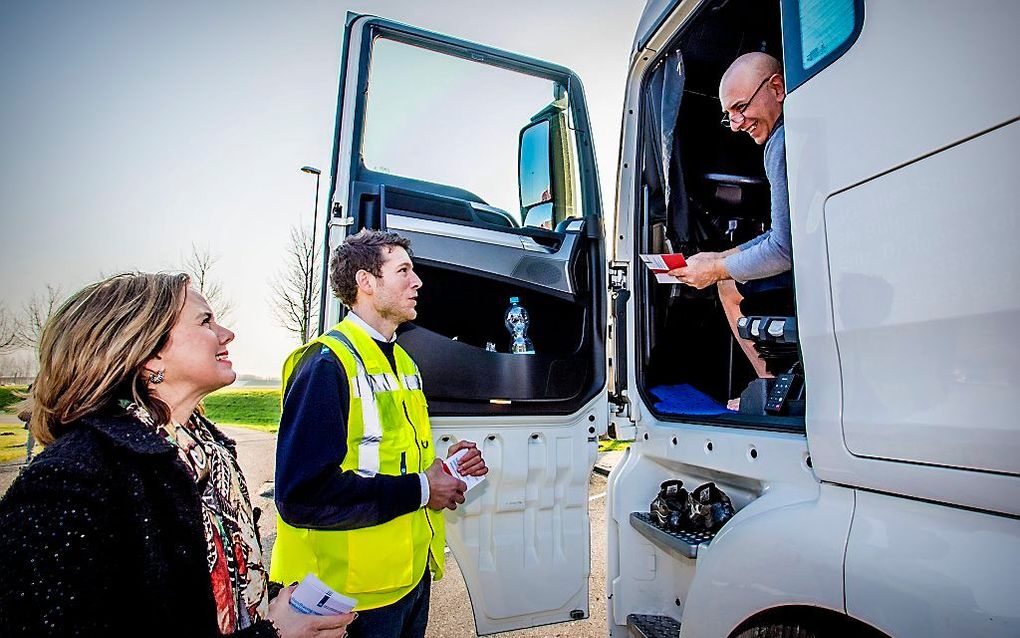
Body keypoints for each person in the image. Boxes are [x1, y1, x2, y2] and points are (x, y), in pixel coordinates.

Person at [0, 273, 353, 638]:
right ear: (146, 353)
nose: (227, 333)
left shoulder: (207, 457)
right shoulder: (69, 480)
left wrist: (280, 606)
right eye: (205, 321)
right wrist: (275, 633)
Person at [271, 230, 488, 638]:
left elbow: (395, 459)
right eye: (403, 270)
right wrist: (424, 489)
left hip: (407, 582)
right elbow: (302, 495)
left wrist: (445, 469)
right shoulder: (324, 364)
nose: (417, 281)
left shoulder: (404, 361)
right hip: (347, 599)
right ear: (366, 283)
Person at [669, 52, 792, 381]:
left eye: (741, 107)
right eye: (729, 115)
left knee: (728, 286)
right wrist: (722, 255)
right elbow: (786, 232)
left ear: (777, 88)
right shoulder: (796, 130)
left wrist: (716, 269)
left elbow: (784, 249)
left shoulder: (781, 143)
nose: (736, 125)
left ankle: (770, 385)